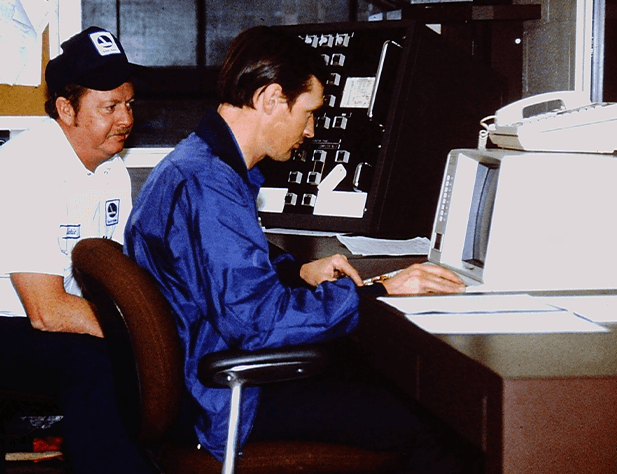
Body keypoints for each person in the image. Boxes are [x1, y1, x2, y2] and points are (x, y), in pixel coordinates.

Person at [124, 25, 476, 473]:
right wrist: (379, 292)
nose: (310, 130)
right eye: (309, 112)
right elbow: (258, 325)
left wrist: (296, 273)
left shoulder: (197, 163)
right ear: (271, 99)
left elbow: (225, 265)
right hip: (227, 397)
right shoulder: (207, 186)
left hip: (206, 372)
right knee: (440, 422)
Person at [0, 27, 154, 474]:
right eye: (108, 107)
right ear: (66, 109)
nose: (125, 119)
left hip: (24, 322)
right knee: (96, 361)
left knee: (136, 357)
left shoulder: (111, 173)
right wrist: (146, 328)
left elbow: (110, 282)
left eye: (128, 104)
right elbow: (48, 312)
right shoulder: (27, 167)